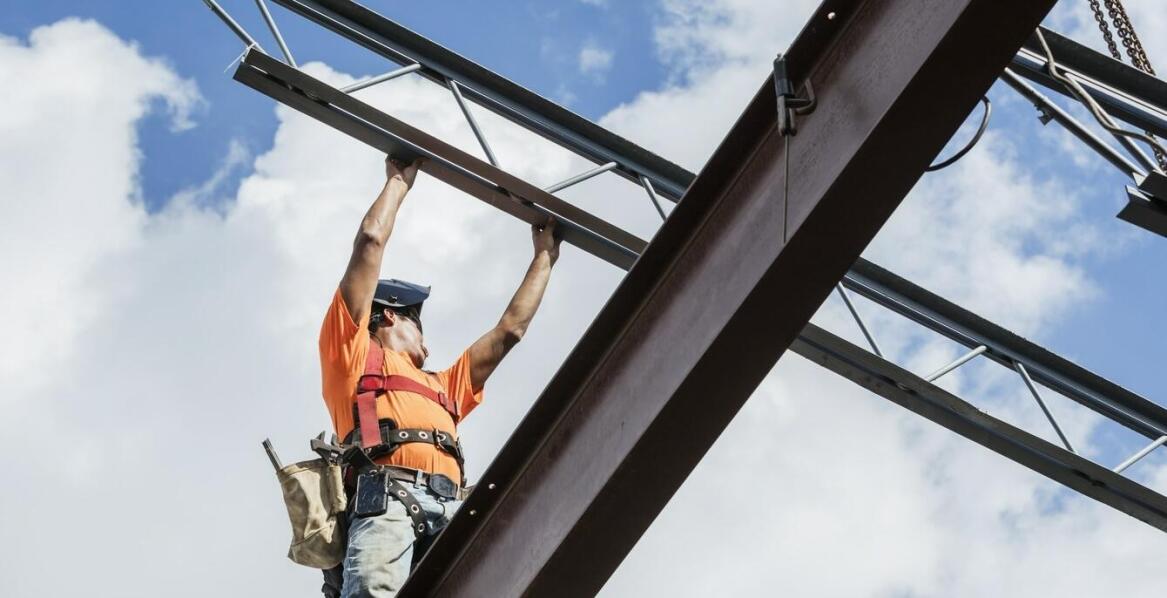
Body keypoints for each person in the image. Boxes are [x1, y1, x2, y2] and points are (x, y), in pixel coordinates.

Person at [317, 156, 562, 597]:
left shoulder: (443, 385)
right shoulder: (350, 357)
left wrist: (545, 256)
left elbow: (511, 331)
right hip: (386, 503)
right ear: (389, 314)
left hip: (452, 510)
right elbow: (370, 241)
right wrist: (398, 182)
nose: (427, 343)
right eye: (418, 324)